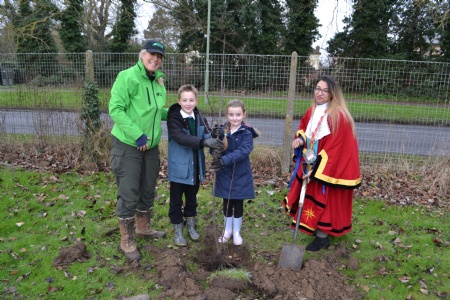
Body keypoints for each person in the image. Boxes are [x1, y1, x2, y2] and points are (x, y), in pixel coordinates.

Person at [283, 75, 361, 252]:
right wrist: (300, 140)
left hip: (327, 168)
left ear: (333, 93)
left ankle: (322, 237)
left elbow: (338, 149)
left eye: (325, 90)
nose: (320, 93)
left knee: (325, 199)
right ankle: (313, 228)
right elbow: (305, 128)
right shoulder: (313, 110)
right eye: (317, 88)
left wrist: (317, 169)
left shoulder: (339, 116)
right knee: (311, 197)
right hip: (311, 162)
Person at [109, 40, 168, 260]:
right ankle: (126, 240)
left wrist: (175, 111)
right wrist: (137, 134)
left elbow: (154, 112)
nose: (155, 59)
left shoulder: (158, 81)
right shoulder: (128, 77)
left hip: (150, 147)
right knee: (129, 191)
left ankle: (143, 227)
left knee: (147, 188)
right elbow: (116, 109)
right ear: (142, 55)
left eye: (159, 56)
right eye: (151, 54)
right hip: (129, 145)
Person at [167, 84, 223, 246]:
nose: (188, 103)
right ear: (179, 101)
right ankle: (178, 229)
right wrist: (205, 141)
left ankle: (191, 226)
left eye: (191, 100)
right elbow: (180, 138)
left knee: (192, 199)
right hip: (179, 168)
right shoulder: (174, 118)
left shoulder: (200, 118)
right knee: (176, 201)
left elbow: (207, 135)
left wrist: (215, 134)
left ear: (196, 101)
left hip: (195, 168)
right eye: (184, 100)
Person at [211, 99, 259, 245]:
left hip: (240, 174)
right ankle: (227, 231)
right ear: (227, 115)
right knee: (227, 201)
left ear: (244, 114)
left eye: (238, 114)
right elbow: (213, 151)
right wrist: (214, 138)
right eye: (231, 115)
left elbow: (243, 151)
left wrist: (225, 161)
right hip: (225, 173)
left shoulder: (247, 133)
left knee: (238, 202)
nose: (234, 118)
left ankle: (236, 232)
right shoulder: (222, 130)